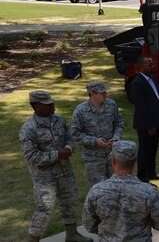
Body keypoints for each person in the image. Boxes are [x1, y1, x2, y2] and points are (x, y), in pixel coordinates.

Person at [19, 90, 91, 242]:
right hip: (44, 177)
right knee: (45, 208)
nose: (53, 105)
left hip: (65, 171)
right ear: (36, 106)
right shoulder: (28, 129)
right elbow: (32, 157)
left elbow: (69, 139)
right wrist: (57, 154)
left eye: (52, 102)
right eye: (48, 104)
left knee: (70, 202)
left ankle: (72, 235)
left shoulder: (60, 120)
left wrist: (69, 148)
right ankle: (33, 239)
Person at [82, 141, 159, 240]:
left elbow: (89, 224)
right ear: (135, 161)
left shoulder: (96, 191)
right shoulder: (148, 192)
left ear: (113, 161)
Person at [71, 80, 124, 186]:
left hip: (112, 153)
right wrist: (94, 141)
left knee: (116, 185)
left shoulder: (111, 105)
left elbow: (119, 123)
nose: (106, 94)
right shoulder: (80, 111)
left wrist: (116, 137)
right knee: (99, 188)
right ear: (92, 93)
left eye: (105, 91)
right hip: (93, 157)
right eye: (102, 92)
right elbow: (75, 134)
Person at [128, 56, 159, 183]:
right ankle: (142, 176)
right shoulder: (137, 83)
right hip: (146, 124)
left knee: (153, 148)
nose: (152, 66)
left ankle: (151, 172)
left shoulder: (153, 78)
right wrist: (149, 126)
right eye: (148, 64)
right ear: (140, 66)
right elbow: (141, 107)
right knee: (145, 150)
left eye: (152, 64)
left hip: (157, 120)